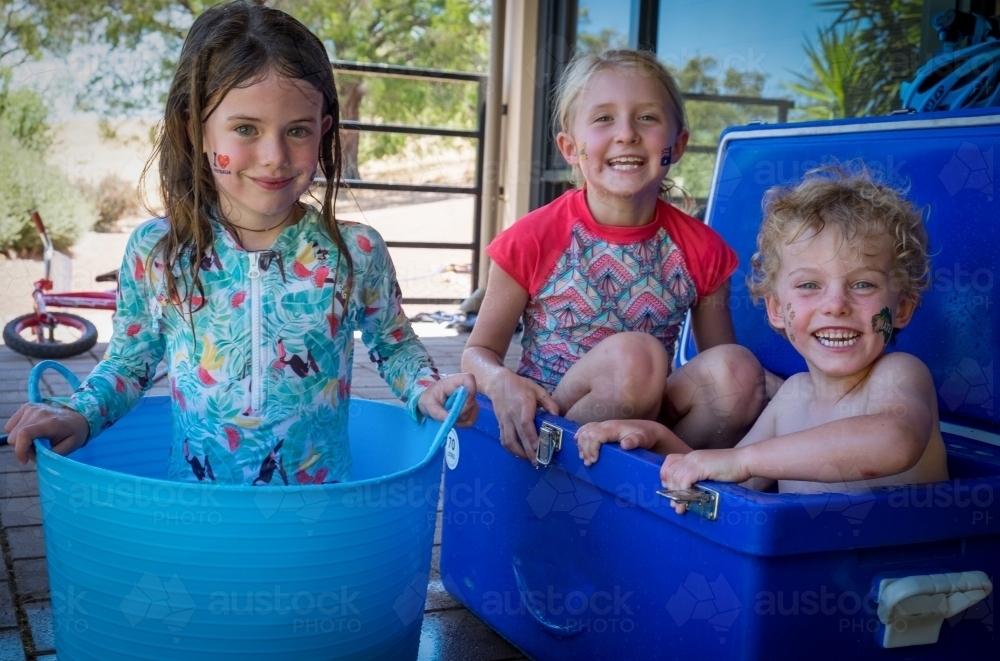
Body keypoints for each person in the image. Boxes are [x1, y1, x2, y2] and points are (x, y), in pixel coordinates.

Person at [4, 0, 477, 484]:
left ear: (324, 132)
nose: (274, 156)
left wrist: (427, 390)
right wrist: (77, 413)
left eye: (297, 130)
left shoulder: (354, 252)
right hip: (196, 513)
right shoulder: (158, 252)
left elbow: (394, 346)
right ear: (196, 129)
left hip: (319, 512)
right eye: (246, 129)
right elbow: (129, 362)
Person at [578, 165, 949, 507]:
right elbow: (730, 488)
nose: (836, 305)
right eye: (809, 285)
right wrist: (657, 440)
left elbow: (894, 440)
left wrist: (741, 459)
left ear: (901, 308)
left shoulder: (899, 374)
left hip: (903, 578)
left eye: (863, 284)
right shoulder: (792, 398)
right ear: (776, 310)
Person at [462, 49, 768, 464]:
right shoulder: (533, 237)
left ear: (677, 144)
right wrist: (499, 382)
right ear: (572, 148)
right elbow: (478, 351)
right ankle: (576, 471)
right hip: (555, 422)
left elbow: (719, 364)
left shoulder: (703, 249)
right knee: (634, 358)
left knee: (738, 370)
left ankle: (672, 478)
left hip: (648, 423)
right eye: (604, 118)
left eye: (647, 117)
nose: (626, 133)